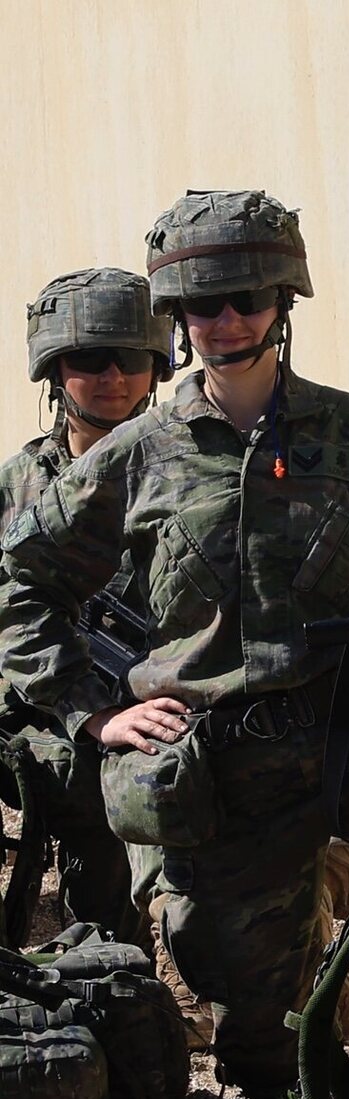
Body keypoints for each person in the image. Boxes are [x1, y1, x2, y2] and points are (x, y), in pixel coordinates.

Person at [0, 189, 349, 1099]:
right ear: (179, 318)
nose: (228, 321)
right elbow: (21, 587)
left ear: (284, 304)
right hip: (218, 782)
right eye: (203, 305)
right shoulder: (137, 455)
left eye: (248, 299)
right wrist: (96, 714)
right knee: (261, 1057)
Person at [0, 268, 171, 948]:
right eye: (88, 360)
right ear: (53, 369)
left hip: (146, 720)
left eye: (130, 359)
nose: (112, 377)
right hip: (37, 721)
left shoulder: (187, 472)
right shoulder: (17, 487)